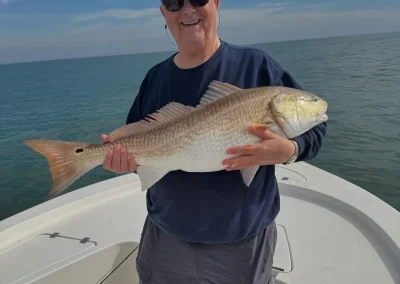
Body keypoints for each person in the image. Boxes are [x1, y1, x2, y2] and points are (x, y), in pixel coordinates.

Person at [101, 0, 327, 283]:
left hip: (241, 243)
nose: (187, 10)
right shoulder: (155, 77)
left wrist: (290, 150)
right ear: (163, 13)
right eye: (173, 2)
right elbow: (139, 149)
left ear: (216, 3)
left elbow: (317, 129)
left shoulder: (258, 66)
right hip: (165, 236)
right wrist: (126, 162)